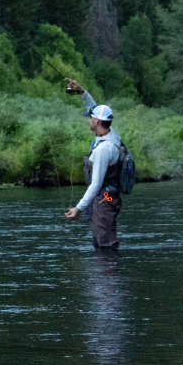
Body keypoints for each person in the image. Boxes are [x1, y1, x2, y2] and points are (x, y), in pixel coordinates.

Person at [64, 78, 122, 249]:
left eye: (90, 118)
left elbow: (96, 184)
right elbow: (94, 108)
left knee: (105, 242)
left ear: (96, 122)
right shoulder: (110, 134)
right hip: (107, 196)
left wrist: (78, 208)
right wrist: (81, 91)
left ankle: (109, 266)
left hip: (106, 197)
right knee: (101, 238)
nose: (88, 119)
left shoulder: (103, 150)